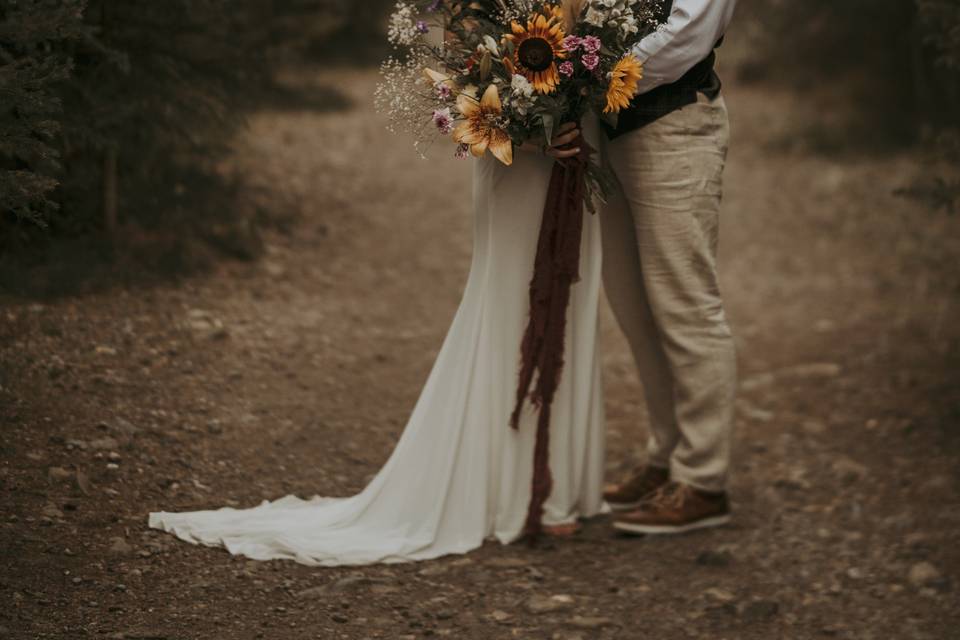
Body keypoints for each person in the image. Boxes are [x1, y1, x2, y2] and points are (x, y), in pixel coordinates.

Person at [147, 28, 606, 565]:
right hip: (519, 156)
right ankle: (509, 490)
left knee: (574, 291)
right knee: (509, 299)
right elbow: (459, 90)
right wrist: (531, 132)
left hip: (583, 141)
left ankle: (558, 485)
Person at [599, 0, 740, 535]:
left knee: (686, 307)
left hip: (675, 126)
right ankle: (667, 455)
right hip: (611, 129)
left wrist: (590, 79)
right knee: (635, 308)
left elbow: (690, 32)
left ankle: (704, 480)